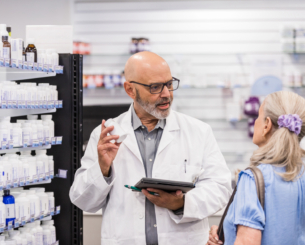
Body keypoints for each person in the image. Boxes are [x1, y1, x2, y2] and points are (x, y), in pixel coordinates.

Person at [70, 51, 232, 245]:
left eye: (170, 84)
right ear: (130, 90)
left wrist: (181, 204)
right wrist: (102, 170)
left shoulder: (198, 131)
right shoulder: (106, 134)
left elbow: (220, 187)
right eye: (155, 87)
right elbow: (82, 200)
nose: (166, 94)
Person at [207, 91, 305, 245]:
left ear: (266, 124)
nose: (255, 121)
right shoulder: (302, 175)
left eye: (258, 116)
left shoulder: (252, 179)